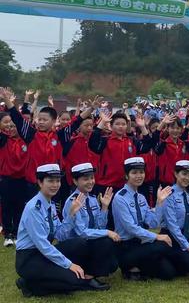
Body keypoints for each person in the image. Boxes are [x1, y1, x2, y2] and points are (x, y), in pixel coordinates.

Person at [15, 164, 110, 297]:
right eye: (50, 181)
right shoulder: (33, 208)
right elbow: (43, 245)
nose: (55, 184)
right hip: (29, 258)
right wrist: (69, 264)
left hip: (44, 254)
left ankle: (74, 276)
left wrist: (71, 214)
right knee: (73, 280)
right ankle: (29, 284)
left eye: (58, 181)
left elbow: (60, 235)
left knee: (80, 243)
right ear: (40, 182)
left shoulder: (51, 205)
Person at [0, 87, 100, 199]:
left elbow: (76, 122)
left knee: (53, 212)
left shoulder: (60, 136)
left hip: (54, 182)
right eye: (39, 119)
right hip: (34, 182)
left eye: (45, 120)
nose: (41, 122)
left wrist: (91, 109)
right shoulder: (31, 134)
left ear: (53, 121)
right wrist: (6, 99)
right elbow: (17, 116)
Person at [112, 157, 177, 281]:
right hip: (126, 247)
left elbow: (153, 223)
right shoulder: (120, 198)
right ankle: (129, 268)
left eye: (141, 172)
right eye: (134, 173)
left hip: (141, 244)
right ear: (126, 175)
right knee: (162, 244)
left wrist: (159, 203)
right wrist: (157, 236)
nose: (139, 176)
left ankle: (139, 267)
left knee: (169, 273)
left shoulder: (141, 197)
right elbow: (131, 228)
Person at [62, 163, 120, 278]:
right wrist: (108, 232)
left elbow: (99, 228)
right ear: (75, 181)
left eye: (92, 178)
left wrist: (104, 207)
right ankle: (89, 274)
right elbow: (81, 232)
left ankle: (91, 270)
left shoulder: (92, 199)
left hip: (89, 242)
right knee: (107, 241)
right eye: (85, 179)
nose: (90, 182)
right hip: (77, 246)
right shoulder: (72, 201)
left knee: (113, 264)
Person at [0, 111, 28, 246]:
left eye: (13, 126)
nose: (10, 129)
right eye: (8, 126)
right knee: (7, 207)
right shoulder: (4, 140)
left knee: (19, 207)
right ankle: (8, 234)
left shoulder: (26, 140)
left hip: (22, 179)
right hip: (6, 179)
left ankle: (17, 232)